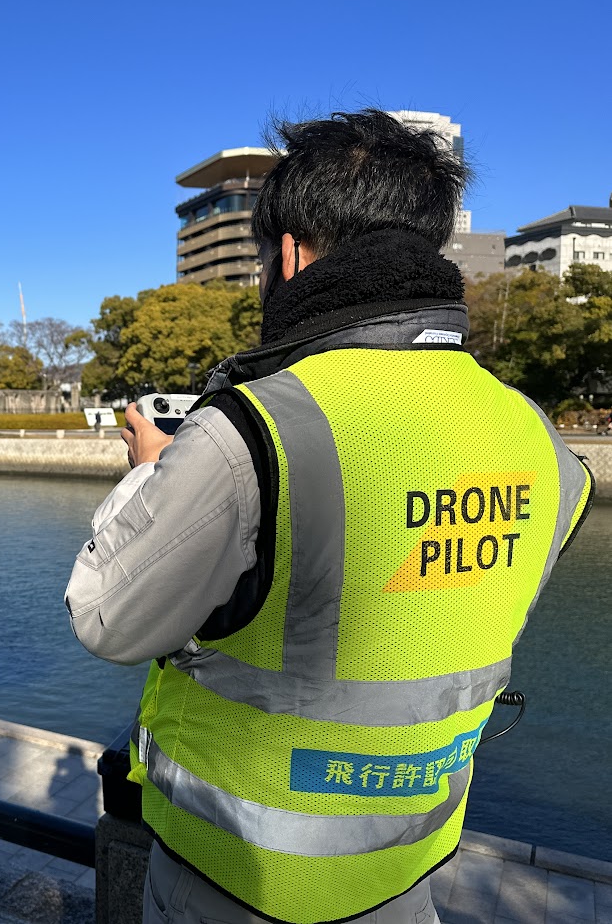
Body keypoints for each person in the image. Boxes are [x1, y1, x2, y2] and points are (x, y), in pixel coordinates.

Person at [64, 109, 593, 924]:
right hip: (409, 874)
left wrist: (151, 474)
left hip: (232, 884)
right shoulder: (537, 437)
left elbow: (106, 617)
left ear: (293, 251)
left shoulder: (256, 428)